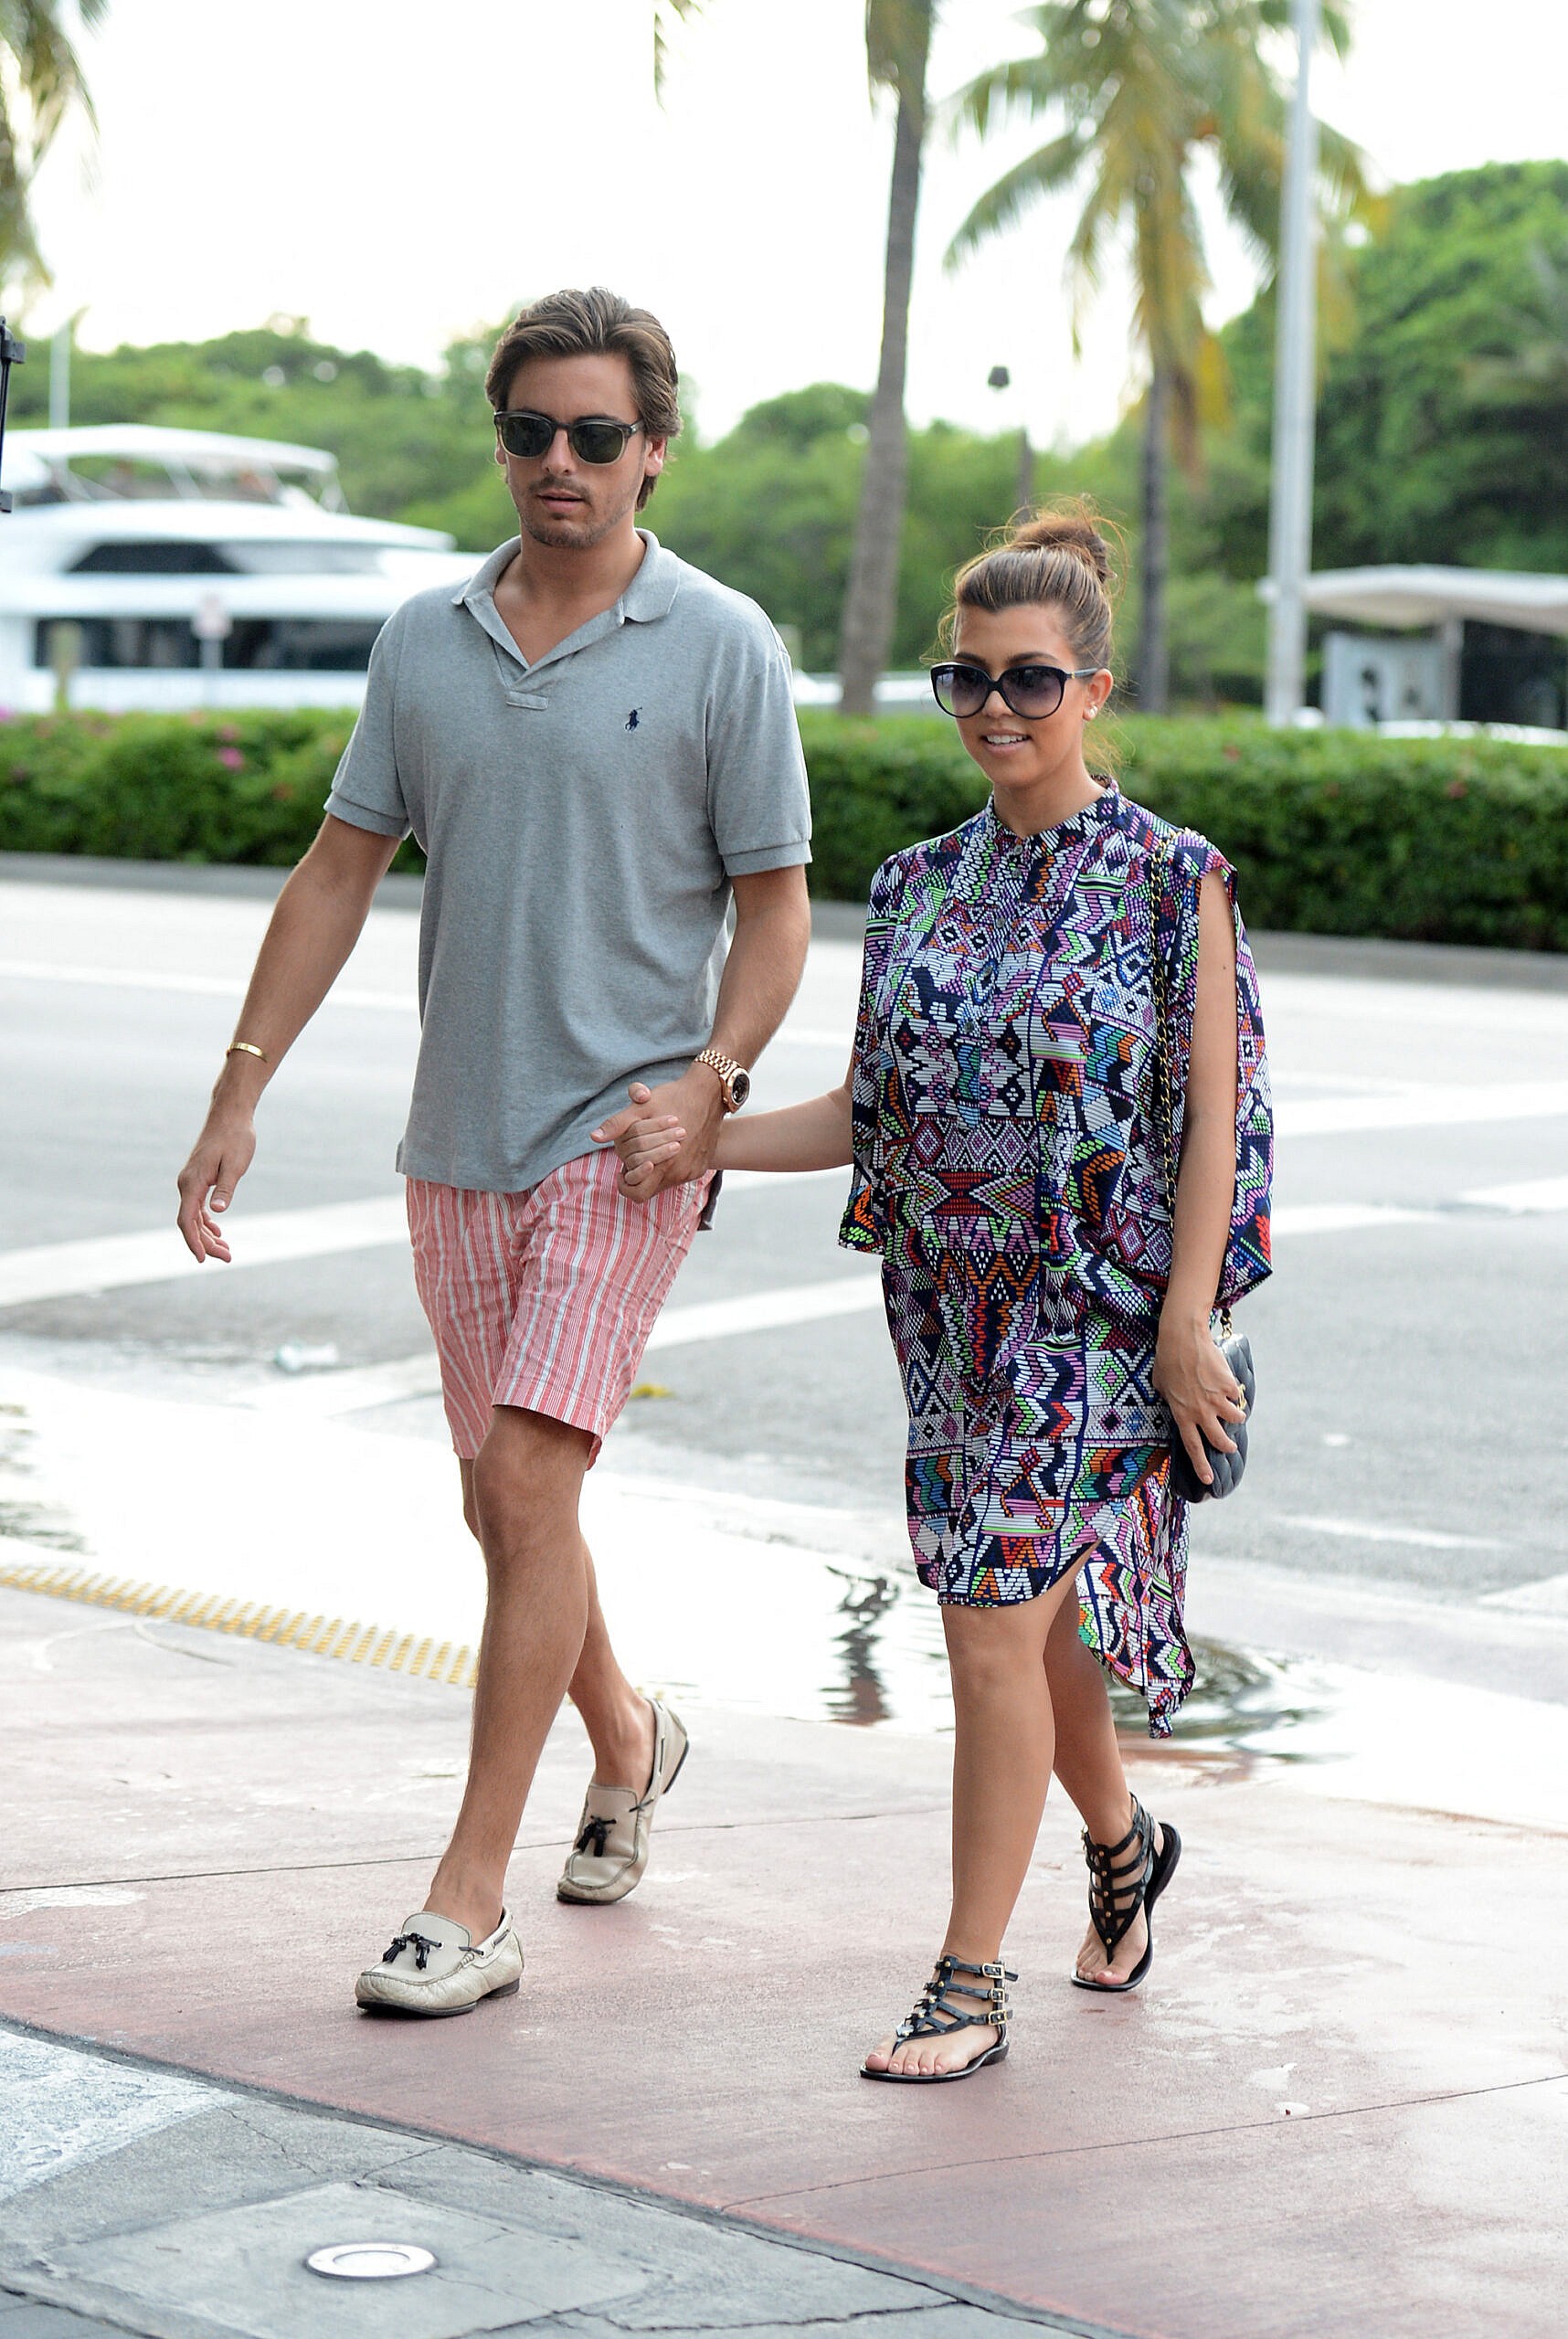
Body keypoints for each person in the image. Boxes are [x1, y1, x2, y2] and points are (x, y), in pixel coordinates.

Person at [175, 287, 812, 2016]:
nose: (560, 463)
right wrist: (240, 1090)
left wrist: (717, 1081)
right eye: (530, 431)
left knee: (530, 1488)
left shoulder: (723, 643)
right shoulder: (423, 641)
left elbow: (774, 914)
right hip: (454, 1141)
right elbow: (336, 872)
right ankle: (629, 1734)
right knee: (503, 1504)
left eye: (596, 435)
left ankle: (470, 1898)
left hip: (625, 1143)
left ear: (653, 449)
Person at [607, 504, 1272, 2081]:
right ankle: (1123, 1846)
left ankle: (967, 1982)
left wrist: (1187, 1319)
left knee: (987, 1629)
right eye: (964, 679)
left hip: (1094, 1323)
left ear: (1094, 689)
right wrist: (694, 1140)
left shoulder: (1177, 881)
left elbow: (1217, 1115)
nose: (993, 709)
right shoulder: (913, 889)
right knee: (1028, 1636)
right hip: (945, 1321)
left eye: (1029, 682)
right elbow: (874, 1111)